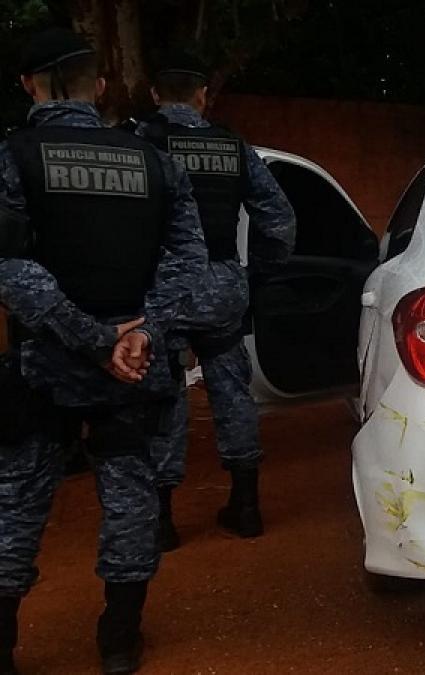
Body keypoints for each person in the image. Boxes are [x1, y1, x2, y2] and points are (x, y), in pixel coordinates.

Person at [0, 28, 209, 674]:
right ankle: (119, 639)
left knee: (17, 501)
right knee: (131, 496)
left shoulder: (12, 156)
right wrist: (141, 334)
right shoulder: (154, 161)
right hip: (135, 368)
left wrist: (90, 339)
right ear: (101, 84)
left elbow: (10, 266)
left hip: (43, 366)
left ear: (29, 85)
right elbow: (189, 260)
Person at [138, 50, 295, 550]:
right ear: (203, 96)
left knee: (164, 397)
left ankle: (161, 521)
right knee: (232, 392)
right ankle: (246, 508)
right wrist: (257, 274)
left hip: (159, 288)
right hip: (221, 283)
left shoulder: (139, 142)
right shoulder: (232, 146)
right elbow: (278, 218)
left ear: (154, 94)